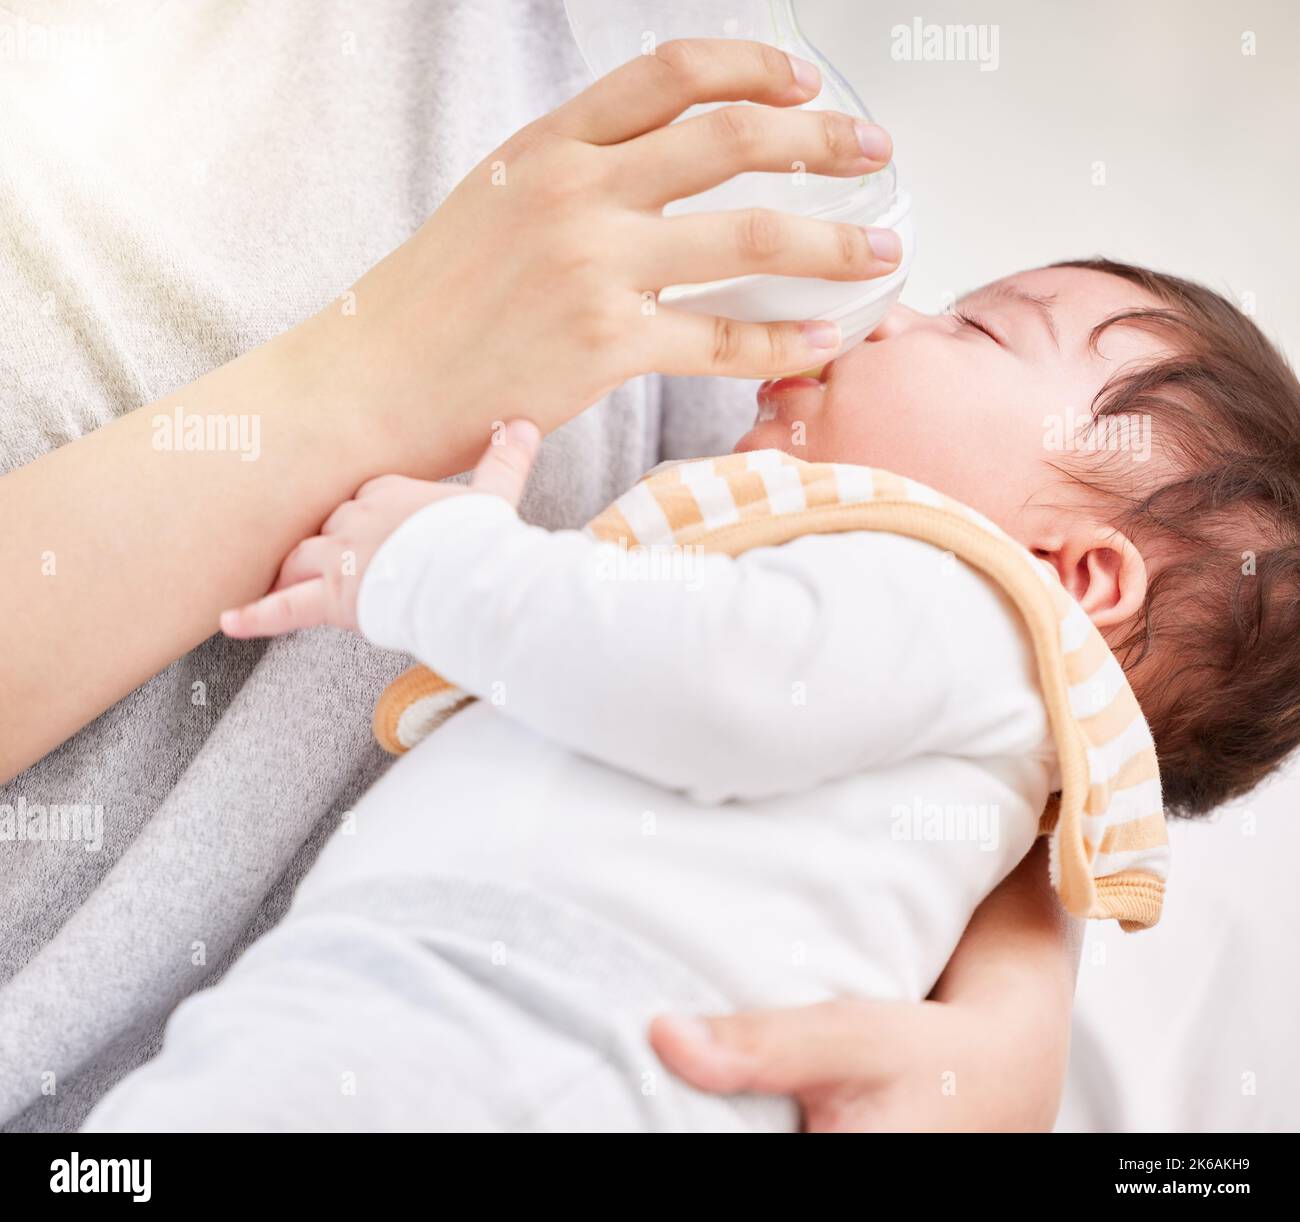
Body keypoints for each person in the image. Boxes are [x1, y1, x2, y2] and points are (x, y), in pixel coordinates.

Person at [0, 4, 1076, 1131]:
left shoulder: (656, 77)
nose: (901, 324)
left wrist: (1016, 998)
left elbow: (967, 593)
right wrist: (374, 381)